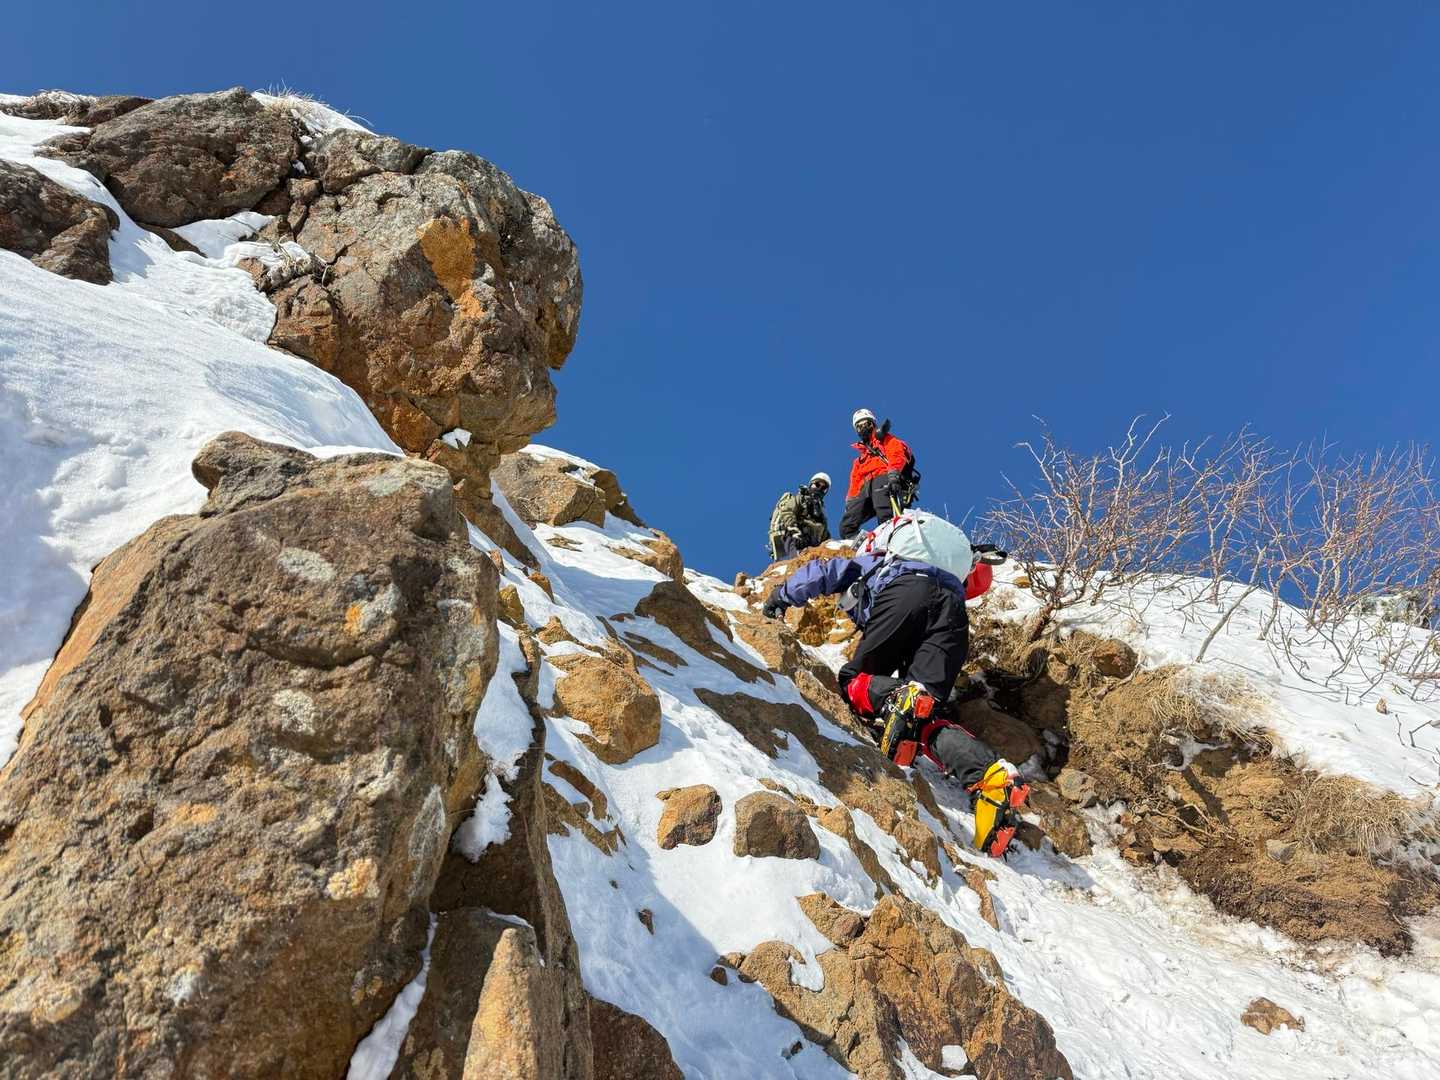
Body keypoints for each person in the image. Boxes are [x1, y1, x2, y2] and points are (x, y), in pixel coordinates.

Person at [761, 542, 1028, 857]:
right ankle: (992, 777)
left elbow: (824, 571)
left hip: (906, 594)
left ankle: (899, 697)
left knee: (853, 681)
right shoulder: (946, 570)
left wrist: (781, 597)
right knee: (925, 717)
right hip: (953, 613)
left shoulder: (879, 559)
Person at [840, 409, 916, 539]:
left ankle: (890, 536)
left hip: (884, 478)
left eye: (866, 424)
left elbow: (897, 454)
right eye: (859, 426)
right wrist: (850, 502)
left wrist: (893, 475)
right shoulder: (859, 461)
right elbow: (855, 483)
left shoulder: (885, 440)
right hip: (867, 489)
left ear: (873, 424)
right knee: (846, 526)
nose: (863, 428)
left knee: (883, 510)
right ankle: (862, 542)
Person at [768, 472, 832, 561]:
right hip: (796, 538)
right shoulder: (800, 499)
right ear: (811, 485)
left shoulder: (821, 512)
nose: (819, 488)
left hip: (812, 545)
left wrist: (830, 545)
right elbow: (787, 511)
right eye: (817, 484)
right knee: (798, 561)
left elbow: (824, 533)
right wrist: (794, 531)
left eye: (824, 488)